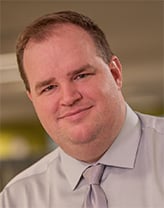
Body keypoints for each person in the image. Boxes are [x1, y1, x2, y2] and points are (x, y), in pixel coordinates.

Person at [0, 10, 163, 208]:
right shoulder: (17, 199)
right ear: (32, 99)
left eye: (81, 75)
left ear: (115, 73)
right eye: (49, 88)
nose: (69, 98)